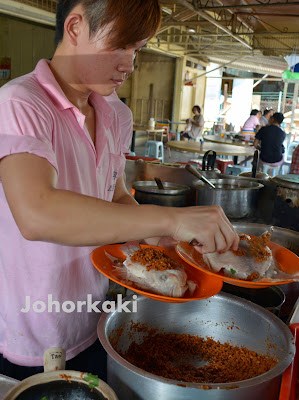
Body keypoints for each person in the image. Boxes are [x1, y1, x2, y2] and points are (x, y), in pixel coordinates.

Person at [0, 0, 239, 381]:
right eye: (121, 45)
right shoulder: (21, 103)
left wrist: (158, 236)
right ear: (76, 26)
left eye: (137, 49)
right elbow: (36, 213)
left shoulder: (117, 115)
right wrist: (172, 219)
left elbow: (115, 196)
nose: (129, 64)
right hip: (32, 333)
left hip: (98, 316)